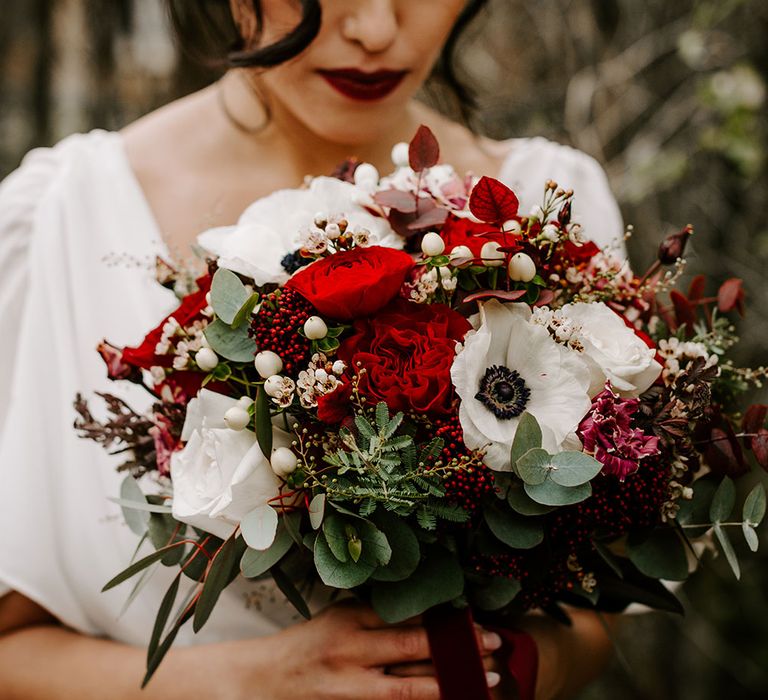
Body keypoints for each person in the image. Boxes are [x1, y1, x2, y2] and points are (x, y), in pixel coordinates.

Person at [0, 2, 622, 698]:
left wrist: (496, 669)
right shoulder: (56, 224)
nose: (377, 30)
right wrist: (252, 684)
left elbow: (600, 613)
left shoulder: (549, 211)